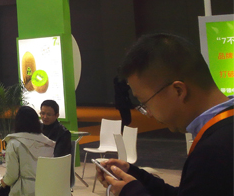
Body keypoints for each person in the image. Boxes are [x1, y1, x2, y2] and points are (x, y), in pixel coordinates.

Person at [96, 34, 233, 196]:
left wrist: (132, 193)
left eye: (145, 103)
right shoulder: (222, 133)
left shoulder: (214, 151)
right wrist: (139, 179)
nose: (148, 113)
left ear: (178, 90)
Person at [0, 106, 55, 196]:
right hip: (48, 189)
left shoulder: (14, 143)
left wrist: (5, 181)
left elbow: (12, 175)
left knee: (1, 189)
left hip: (25, 190)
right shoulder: (48, 143)